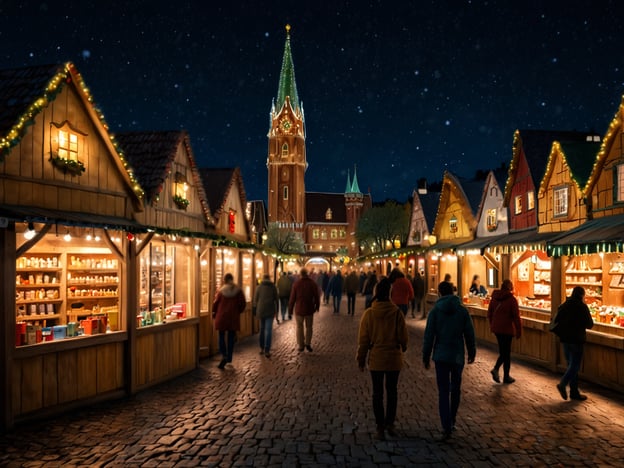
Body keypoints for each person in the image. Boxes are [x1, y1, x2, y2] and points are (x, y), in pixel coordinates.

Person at [422, 280, 476, 440]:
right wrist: (472, 350)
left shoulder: (435, 312)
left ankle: (446, 425)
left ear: (439, 293)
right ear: (453, 292)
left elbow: (429, 336)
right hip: (457, 355)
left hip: (441, 355)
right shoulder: (462, 311)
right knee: (456, 389)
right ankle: (452, 419)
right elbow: (469, 333)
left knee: (443, 391)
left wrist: (426, 355)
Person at [356, 278, 408, 440]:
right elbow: (403, 338)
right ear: (390, 294)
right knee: (392, 392)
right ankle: (390, 423)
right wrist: (402, 347)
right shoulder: (397, 313)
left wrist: (361, 358)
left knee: (377, 393)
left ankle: (380, 427)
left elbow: (363, 340)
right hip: (393, 358)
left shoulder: (369, 314)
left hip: (377, 359)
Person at [552, 286, 594, 401]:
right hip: (576, 339)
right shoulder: (582, 307)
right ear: (582, 295)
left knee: (571, 365)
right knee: (575, 366)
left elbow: (557, 321)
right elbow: (590, 324)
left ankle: (574, 392)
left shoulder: (564, 305)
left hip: (565, 339)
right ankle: (563, 384)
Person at [487, 279, 522, 384]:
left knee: (504, 352)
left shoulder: (494, 298)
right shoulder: (512, 300)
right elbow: (516, 317)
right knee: (506, 353)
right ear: (509, 287)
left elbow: (489, 314)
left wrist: (493, 325)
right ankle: (499, 371)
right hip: (507, 329)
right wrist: (519, 330)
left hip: (497, 329)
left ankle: (504, 374)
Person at [212, 273, 247, 369]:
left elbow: (215, 304)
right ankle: (229, 357)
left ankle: (224, 355)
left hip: (222, 316)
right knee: (231, 337)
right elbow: (242, 304)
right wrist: (237, 312)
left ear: (225, 280)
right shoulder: (238, 291)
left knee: (221, 336)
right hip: (233, 317)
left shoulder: (221, 291)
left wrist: (214, 312)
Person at [288, 268, 321, 352]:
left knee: (299, 327)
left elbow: (292, 298)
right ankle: (308, 343)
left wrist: (290, 310)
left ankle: (301, 345)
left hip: (299, 309)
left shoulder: (296, 284)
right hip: (309, 308)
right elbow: (316, 296)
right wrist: (317, 306)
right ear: (307, 274)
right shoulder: (312, 283)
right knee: (309, 327)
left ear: (300, 274)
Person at [253, 274, 279, 357]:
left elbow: (255, 300)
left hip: (261, 310)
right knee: (268, 330)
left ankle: (261, 348)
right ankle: (267, 349)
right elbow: (276, 299)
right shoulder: (273, 287)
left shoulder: (258, 287)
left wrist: (254, 310)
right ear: (269, 279)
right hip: (270, 310)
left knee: (262, 329)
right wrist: (277, 310)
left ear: (263, 279)